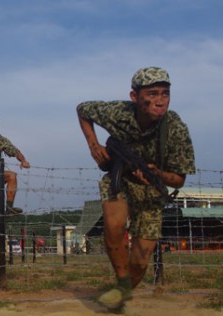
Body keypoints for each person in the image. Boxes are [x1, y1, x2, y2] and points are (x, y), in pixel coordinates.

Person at [76, 67, 195, 310]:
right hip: (119, 179)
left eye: (165, 93)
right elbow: (82, 109)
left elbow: (179, 179)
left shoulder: (176, 129)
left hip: (152, 191)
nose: (160, 100)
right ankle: (121, 279)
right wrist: (94, 145)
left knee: (141, 259)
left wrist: (156, 173)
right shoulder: (117, 113)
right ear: (134, 96)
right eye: (152, 94)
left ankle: (122, 292)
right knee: (114, 223)